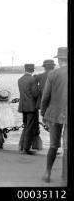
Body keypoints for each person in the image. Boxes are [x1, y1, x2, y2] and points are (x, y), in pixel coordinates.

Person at [41, 47, 68, 184]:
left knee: (53, 145)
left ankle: (47, 172)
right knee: (67, 147)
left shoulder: (52, 74)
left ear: (59, 59)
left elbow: (45, 96)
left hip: (54, 113)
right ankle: (65, 178)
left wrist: (43, 112)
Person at [18, 64, 40, 155]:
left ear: (25, 69)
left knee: (26, 125)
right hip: (31, 107)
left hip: (23, 106)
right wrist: (40, 90)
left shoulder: (20, 79)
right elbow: (35, 94)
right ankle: (26, 148)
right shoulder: (32, 79)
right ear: (33, 70)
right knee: (29, 127)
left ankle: (22, 146)